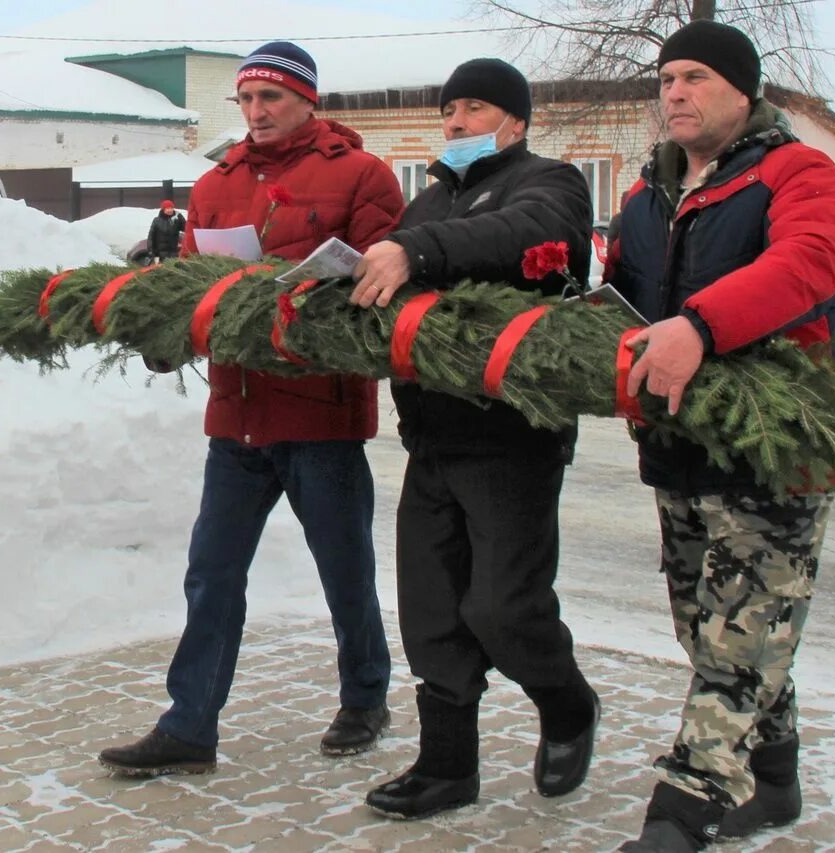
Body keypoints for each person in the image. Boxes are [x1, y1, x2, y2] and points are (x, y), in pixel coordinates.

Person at [97, 41, 402, 776]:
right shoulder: (216, 183)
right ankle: (190, 725)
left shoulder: (362, 174)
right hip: (235, 416)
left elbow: (381, 289)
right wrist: (170, 323)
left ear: (307, 100)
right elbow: (201, 289)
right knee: (211, 571)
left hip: (320, 417)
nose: (256, 112)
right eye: (246, 99)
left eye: (271, 98)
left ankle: (365, 695)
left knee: (344, 569)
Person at [604, 20, 835, 851]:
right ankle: (775, 782)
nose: (675, 91)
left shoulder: (797, 171)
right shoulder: (644, 197)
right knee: (709, 626)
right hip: (678, 450)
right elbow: (621, 300)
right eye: (667, 78)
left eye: (696, 77)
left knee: (737, 642)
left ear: (742, 92)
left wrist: (701, 327)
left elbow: (812, 261)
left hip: (775, 450)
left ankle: (683, 812)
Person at [349, 58, 600, 821]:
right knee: (430, 609)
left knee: (503, 607)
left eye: (474, 107)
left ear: (516, 122)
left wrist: (418, 252)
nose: (455, 121)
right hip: (432, 434)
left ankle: (567, 701)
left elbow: (523, 233)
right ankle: (447, 766)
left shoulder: (549, 183)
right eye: (449, 109)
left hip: (511, 438)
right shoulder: (429, 199)